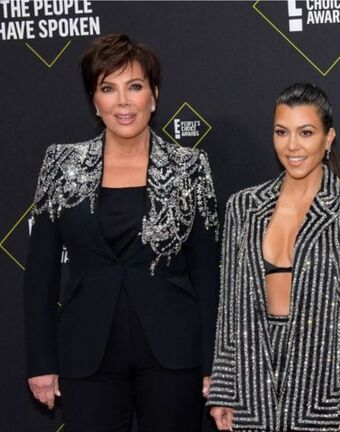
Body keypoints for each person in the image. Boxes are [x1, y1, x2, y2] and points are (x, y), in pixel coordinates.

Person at [24, 34, 220, 431]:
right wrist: (41, 361)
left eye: (135, 86)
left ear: (154, 95)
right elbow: (41, 272)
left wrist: (215, 363)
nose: (123, 102)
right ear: (94, 101)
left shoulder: (189, 167)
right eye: (108, 88)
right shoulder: (61, 165)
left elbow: (207, 272)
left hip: (173, 353)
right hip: (87, 353)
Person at [207, 83, 340, 432]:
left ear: (328, 137)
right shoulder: (243, 206)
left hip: (326, 381)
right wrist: (224, 386)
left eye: (306, 132)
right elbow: (230, 305)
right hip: (252, 377)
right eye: (281, 132)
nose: (292, 146)